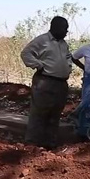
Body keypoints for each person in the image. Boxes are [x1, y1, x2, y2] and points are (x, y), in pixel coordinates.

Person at [21, 16, 72, 149]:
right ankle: (32, 144)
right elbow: (26, 53)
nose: (66, 31)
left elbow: (68, 58)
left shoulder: (64, 44)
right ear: (55, 27)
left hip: (61, 84)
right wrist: (37, 64)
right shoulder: (42, 40)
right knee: (39, 113)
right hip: (45, 81)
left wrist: (68, 67)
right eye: (64, 28)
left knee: (55, 114)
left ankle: (49, 144)